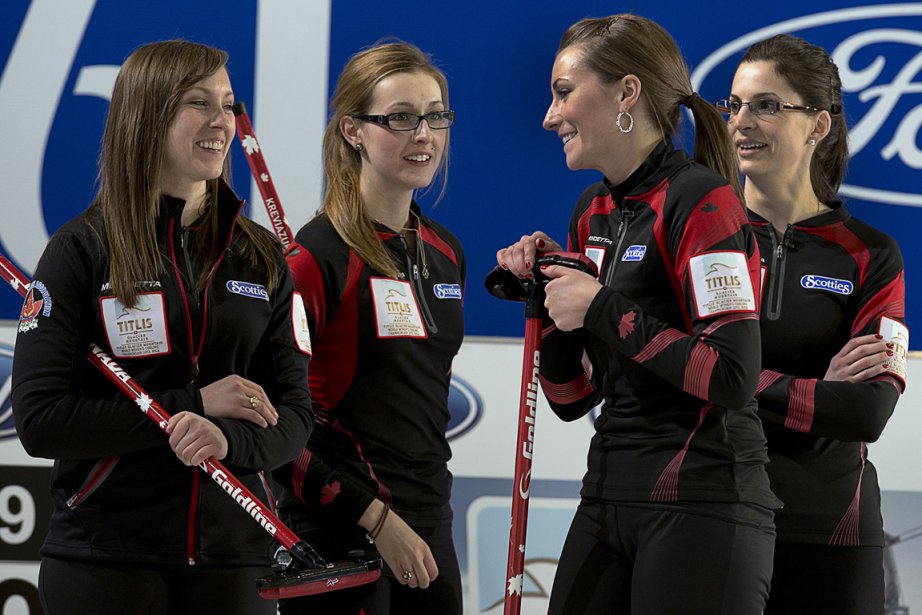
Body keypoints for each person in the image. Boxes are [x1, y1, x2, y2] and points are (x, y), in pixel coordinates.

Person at [11, 40, 314, 615]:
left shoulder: (261, 258)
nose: (220, 121)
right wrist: (190, 403)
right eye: (198, 103)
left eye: (227, 103)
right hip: (105, 558)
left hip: (235, 560)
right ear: (146, 115)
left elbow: (296, 414)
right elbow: (42, 421)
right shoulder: (83, 249)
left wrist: (228, 439)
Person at [496, 15, 780, 615]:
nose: (550, 117)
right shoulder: (593, 209)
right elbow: (572, 398)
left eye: (564, 92)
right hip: (608, 492)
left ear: (627, 92)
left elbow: (732, 376)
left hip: (704, 497)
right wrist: (547, 302)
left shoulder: (702, 200)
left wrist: (600, 305)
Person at [274, 41, 465, 615]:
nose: (423, 134)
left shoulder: (444, 252)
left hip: (429, 524)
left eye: (435, 116)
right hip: (342, 534)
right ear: (353, 131)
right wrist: (375, 518)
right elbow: (277, 435)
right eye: (401, 118)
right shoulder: (316, 257)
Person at [721, 34, 908, 615]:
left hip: (834, 526)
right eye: (735, 105)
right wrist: (817, 390)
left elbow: (866, 412)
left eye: (767, 105)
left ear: (818, 126)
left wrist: (727, 378)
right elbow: (669, 375)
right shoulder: (700, 236)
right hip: (714, 514)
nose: (741, 121)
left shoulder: (871, 255)